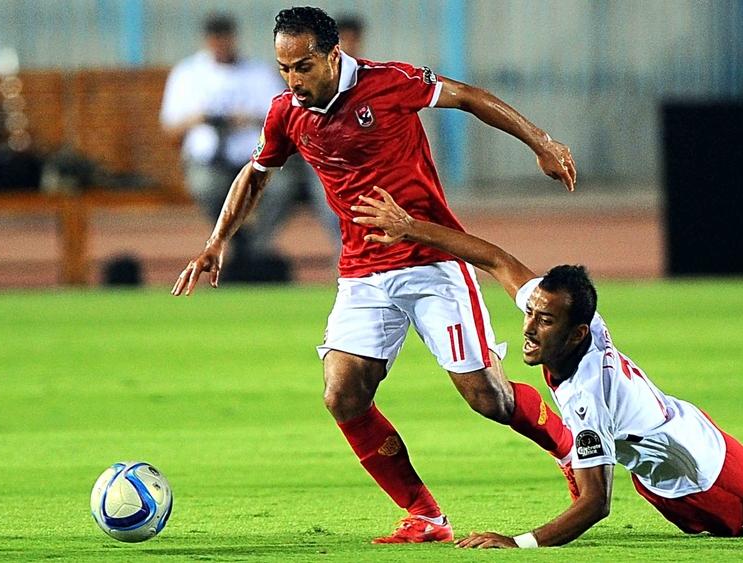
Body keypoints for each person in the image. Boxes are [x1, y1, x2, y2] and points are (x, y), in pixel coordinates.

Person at [351, 186, 743, 548]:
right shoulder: (568, 318)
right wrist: (413, 229)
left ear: (578, 332)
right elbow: (493, 258)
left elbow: (594, 504)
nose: (529, 326)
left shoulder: (589, 393)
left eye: (543, 320)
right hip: (670, 449)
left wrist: (516, 544)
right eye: (532, 312)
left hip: (696, 470)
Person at [171, 7, 578, 544]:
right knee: (342, 396)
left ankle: (572, 448)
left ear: (334, 55)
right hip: (363, 274)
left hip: (433, 262)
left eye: (304, 66)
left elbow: (470, 97)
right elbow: (257, 172)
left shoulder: (391, 83)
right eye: (284, 68)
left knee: (488, 399)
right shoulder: (286, 113)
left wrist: (541, 143)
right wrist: (216, 241)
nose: (293, 81)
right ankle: (425, 515)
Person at [161, 13, 299, 267]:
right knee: (207, 187)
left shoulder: (257, 72)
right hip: (208, 160)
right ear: (207, 41)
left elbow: (285, 119)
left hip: (254, 159)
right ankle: (232, 244)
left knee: (281, 188)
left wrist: (249, 118)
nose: (220, 44)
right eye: (215, 38)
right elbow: (171, 128)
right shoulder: (188, 73)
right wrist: (200, 119)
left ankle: (255, 249)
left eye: (224, 38)